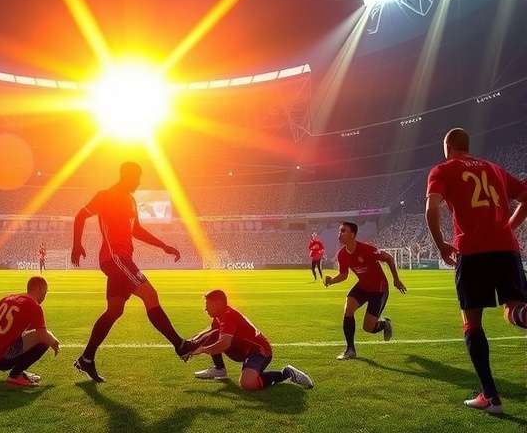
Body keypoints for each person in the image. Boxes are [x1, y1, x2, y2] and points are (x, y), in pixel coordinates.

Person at [425, 127, 527, 414]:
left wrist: (442, 245)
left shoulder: (443, 170)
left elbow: (432, 209)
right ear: (467, 146)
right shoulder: (495, 169)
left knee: (472, 323)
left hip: (472, 251)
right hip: (507, 250)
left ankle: (491, 397)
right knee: (514, 312)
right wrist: (509, 227)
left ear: (448, 146)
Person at [71, 162, 193, 382]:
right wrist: (76, 245)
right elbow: (80, 216)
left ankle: (86, 359)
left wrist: (163, 245)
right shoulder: (105, 196)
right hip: (115, 258)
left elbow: (136, 230)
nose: (139, 182)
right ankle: (180, 345)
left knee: (114, 310)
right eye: (137, 178)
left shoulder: (131, 200)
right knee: (150, 294)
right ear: (127, 176)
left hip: (123, 259)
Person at [187, 289, 313, 391]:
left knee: (247, 384)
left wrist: (201, 350)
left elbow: (224, 344)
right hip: (245, 350)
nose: (205, 309)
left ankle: (286, 374)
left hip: (259, 351)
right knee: (213, 334)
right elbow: (209, 331)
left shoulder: (228, 316)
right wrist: (191, 342)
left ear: (218, 304)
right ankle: (219, 369)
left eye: (208, 305)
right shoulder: (221, 315)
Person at [325, 221, 407, 360]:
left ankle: (384, 324)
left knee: (368, 328)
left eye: (343, 231)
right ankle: (350, 350)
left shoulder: (367, 249)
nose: (340, 234)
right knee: (348, 309)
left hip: (379, 290)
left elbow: (388, 258)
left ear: (352, 234)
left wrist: (396, 280)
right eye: (339, 231)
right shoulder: (342, 254)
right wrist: (331, 281)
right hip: (362, 286)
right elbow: (344, 275)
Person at [0, 276, 59, 387]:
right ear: (40, 289)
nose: (45, 295)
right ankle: (15, 376)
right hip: (2, 358)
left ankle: (19, 373)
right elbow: (42, 335)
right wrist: (55, 343)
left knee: (34, 336)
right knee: (45, 341)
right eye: (45, 291)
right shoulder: (33, 306)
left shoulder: (10, 298)